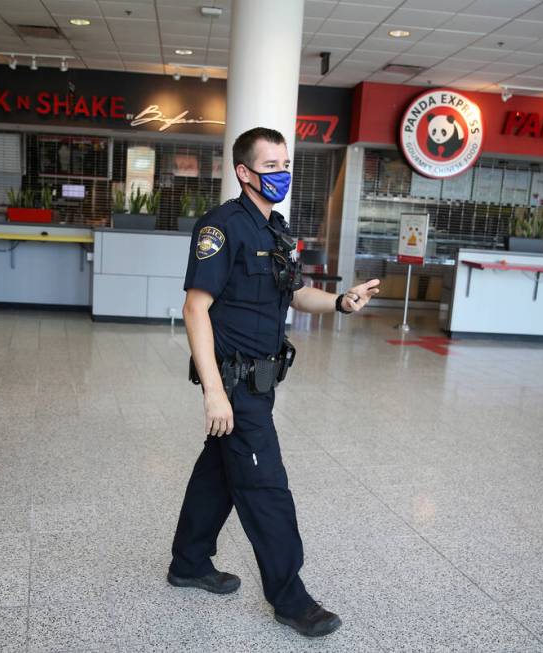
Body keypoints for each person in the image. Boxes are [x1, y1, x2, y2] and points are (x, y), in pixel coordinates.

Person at [166, 127, 380, 637]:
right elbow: (195, 307)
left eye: (286, 164)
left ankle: (189, 562)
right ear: (244, 172)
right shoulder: (222, 228)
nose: (281, 173)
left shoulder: (275, 229)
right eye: (271, 166)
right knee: (266, 487)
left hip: (261, 376)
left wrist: (340, 303)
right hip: (236, 382)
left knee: (219, 472)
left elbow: (297, 293)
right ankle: (291, 599)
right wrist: (215, 392)